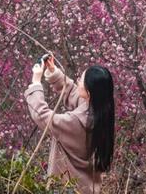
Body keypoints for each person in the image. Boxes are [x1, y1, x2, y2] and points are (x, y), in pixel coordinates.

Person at [24, 54, 115, 194]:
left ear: (89, 92)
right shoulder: (102, 112)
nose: (77, 81)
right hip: (88, 187)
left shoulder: (75, 122)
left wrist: (36, 82)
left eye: (80, 80)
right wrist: (54, 72)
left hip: (67, 188)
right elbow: (73, 92)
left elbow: (42, 115)